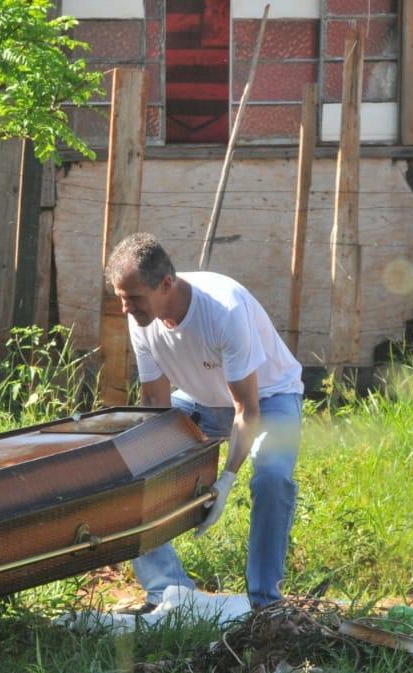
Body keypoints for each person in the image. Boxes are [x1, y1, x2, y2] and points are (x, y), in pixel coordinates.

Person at [104, 233, 303, 611]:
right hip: (199, 401)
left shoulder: (223, 309)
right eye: (121, 299)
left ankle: (264, 603)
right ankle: (168, 590)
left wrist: (225, 481)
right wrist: (157, 465)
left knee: (272, 478)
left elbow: (247, 409)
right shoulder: (141, 317)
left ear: (166, 285)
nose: (127, 309)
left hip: (270, 397)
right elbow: (155, 402)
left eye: (134, 299)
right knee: (129, 464)